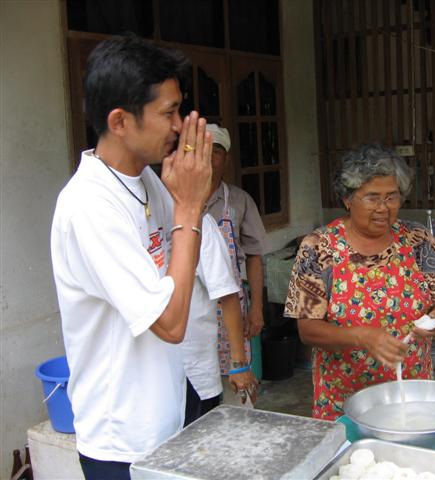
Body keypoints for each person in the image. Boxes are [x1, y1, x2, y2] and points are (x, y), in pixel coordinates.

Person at [51, 36, 213, 479]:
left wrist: (186, 201)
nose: (178, 125)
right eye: (167, 113)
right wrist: (188, 208)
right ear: (120, 121)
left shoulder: (147, 181)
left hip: (169, 411)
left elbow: (180, 268)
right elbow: (171, 324)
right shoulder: (89, 205)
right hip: (123, 440)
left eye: (180, 111)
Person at [283, 144, 435, 420]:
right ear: (347, 199)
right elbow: (308, 330)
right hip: (345, 402)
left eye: (391, 197)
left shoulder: (418, 240)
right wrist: (363, 336)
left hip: (411, 396)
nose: (383, 208)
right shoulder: (319, 247)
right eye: (372, 198)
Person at [203, 124, 267, 388]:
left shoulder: (240, 201)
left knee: (239, 385)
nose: (209, 157)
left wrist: (256, 308)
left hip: (230, 306)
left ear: (226, 159)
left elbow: (254, 256)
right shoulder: (172, 201)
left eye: (216, 151)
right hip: (192, 308)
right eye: (202, 149)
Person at [181, 214, 259, 426]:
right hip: (152, 373)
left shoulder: (201, 223)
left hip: (195, 368)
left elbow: (227, 295)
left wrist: (239, 364)